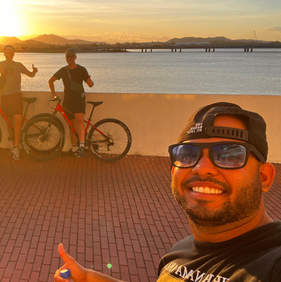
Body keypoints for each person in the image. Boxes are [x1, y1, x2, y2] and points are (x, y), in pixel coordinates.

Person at [54, 102, 281, 281]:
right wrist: (89, 278)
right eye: (188, 154)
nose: (201, 168)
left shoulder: (272, 264)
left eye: (229, 155)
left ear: (264, 177)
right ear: (174, 170)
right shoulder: (179, 253)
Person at [0, 45, 38, 160]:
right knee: (9, 122)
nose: (9, 54)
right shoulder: (0, 65)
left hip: (16, 96)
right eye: (7, 52)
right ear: (4, 53)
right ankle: (14, 145)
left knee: (17, 121)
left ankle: (16, 147)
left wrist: (34, 71)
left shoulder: (18, 65)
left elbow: (30, 75)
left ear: (14, 54)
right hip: (5, 97)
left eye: (11, 53)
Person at [48, 48, 94, 158]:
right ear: (65, 57)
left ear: (75, 57)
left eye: (71, 56)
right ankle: (74, 148)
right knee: (71, 125)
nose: (69, 58)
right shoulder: (63, 70)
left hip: (78, 98)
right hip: (68, 100)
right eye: (67, 56)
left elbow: (90, 84)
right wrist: (54, 94)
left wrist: (90, 80)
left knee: (79, 120)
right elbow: (50, 81)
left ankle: (81, 147)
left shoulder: (82, 69)